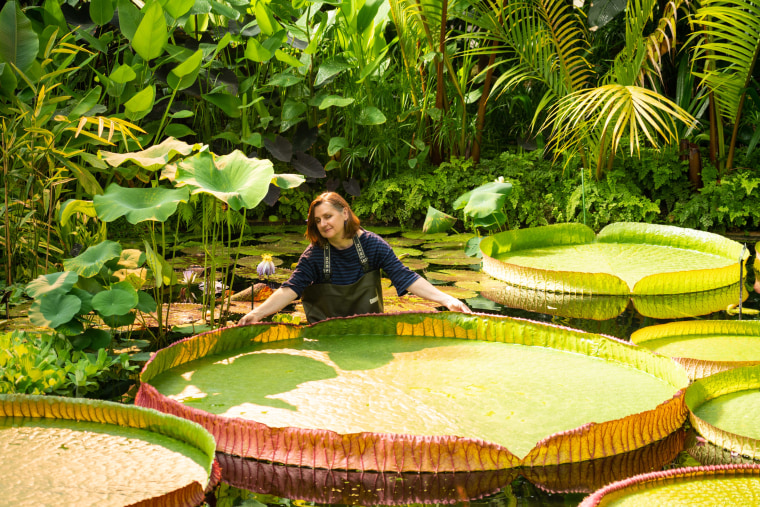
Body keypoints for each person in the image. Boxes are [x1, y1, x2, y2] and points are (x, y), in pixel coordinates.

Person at [239, 192, 471, 325]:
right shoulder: (315, 254)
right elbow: (290, 289)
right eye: (318, 220)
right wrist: (257, 313)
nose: (323, 224)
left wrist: (446, 300)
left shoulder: (372, 245)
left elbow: (405, 277)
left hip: (370, 332)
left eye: (328, 216)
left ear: (345, 213)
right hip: (326, 337)